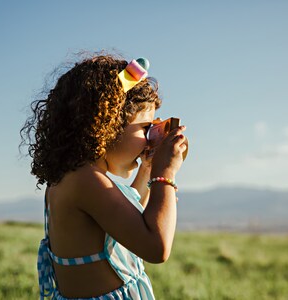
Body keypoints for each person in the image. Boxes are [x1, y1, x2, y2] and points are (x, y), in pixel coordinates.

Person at [20, 53, 187, 299]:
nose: (150, 138)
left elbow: (126, 217)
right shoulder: (87, 182)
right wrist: (165, 174)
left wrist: (148, 168)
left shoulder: (71, 177)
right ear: (106, 124)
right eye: (145, 128)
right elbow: (156, 247)